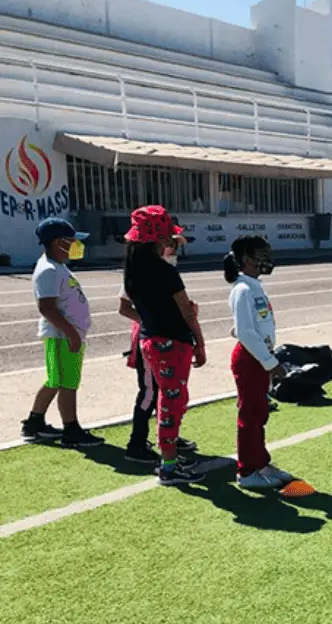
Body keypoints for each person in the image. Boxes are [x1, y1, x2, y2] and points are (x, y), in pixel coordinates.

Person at [122, 205, 207, 484]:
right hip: (173, 343)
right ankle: (168, 465)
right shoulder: (165, 272)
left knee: (167, 399)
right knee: (171, 401)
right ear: (159, 240)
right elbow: (186, 312)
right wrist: (200, 342)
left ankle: (168, 457)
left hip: (151, 340)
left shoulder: (132, 273)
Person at [20, 218, 104, 447]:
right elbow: (46, 307)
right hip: (61, 336)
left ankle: (34, 422)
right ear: (58, 242)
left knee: (56, 380)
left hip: (67, 334)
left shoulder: (57, 265)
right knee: (67, 383)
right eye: (72, 241)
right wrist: (71, 333)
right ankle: (71, 429)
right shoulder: (48, 270)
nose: (77, 245)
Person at [224, 236, 296, 490]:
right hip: (250, 358)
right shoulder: (243, 289)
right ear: (247, 260)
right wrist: (270, 362)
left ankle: (261, 463)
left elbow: (247, 325)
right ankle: (246, 471)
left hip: (259, 357)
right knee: (250, 415)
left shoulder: (254, 286)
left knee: (260, 413)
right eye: (261, 254)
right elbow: (245, 332)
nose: (266, 259)